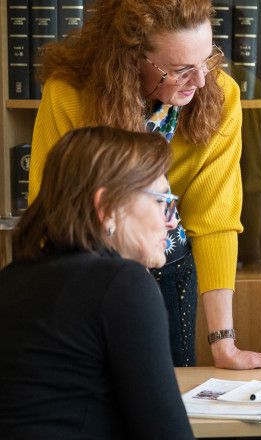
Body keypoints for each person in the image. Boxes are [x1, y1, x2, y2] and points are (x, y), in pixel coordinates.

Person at [29, 0, 261, 369]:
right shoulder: (68, 95)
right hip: (86, 272)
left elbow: (215, 219)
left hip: (171, 267)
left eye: (207, 59)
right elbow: (50, 217)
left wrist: (223, 344)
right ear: (132, 58)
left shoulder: (221, 95)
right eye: (181, 70)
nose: (201, 80)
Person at [0, 126, 195, 439]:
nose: (172, 221)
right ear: (106, 208)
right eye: (162, 202)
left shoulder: (10, 279)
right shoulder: (123, 286)